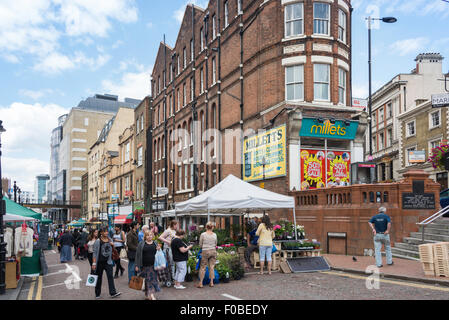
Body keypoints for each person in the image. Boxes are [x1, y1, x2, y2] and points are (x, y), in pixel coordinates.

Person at [92, 227, 121, 299]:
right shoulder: (98, 241)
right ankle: (97, 294)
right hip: (100, 262)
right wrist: (94, 263)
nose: (106, 233)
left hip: (108, 262)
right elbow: (95, 253)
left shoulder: (110, 239)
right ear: (101, 233)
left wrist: (112, 245)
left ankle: (113, 292)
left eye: (107, 231)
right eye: (104, 232)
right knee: (99, 278)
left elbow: (113, 250)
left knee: (110, 276)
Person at [135, 230, 161, 300]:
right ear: (145, 236)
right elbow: (137, 255)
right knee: (147, 280)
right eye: (148, 235)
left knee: (151, 280)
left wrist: (159, 249)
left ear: (153, 236)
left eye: (151, 235)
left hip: (154, 265)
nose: (150, 236)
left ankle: (150, 295)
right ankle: (150, 294)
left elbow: (159, 254)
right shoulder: (141, 244)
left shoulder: (155, 243)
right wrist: (136, 265)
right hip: (144, 265)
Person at [196, 222, 217, 288]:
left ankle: (201, 283)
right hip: (213, 251)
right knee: (212, 267)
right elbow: (216, 243)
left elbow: (200, 244)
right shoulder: (214, 235)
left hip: (205, 251)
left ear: (206, 227)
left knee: (203, 267)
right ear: (212, 227)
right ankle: (211, 282)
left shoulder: (203, 234)